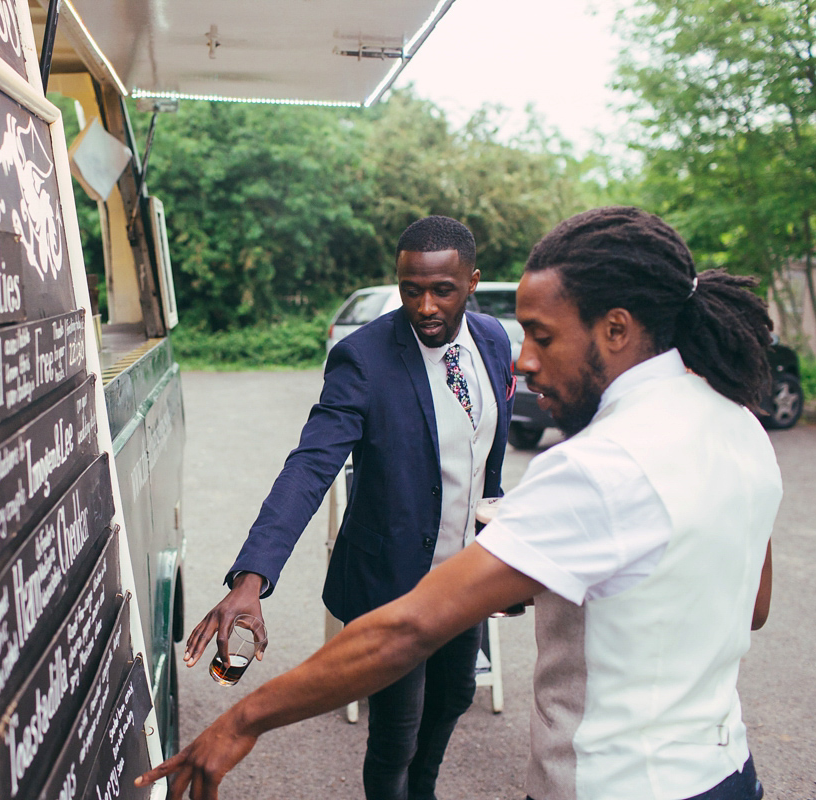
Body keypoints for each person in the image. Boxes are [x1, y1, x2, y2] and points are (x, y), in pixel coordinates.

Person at [141, 206, 779, 800]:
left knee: (444, 704)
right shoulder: (737, 423)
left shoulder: (594, 467)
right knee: (398, 729)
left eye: (543, 336)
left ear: (615, 328)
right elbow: (749, 604)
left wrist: (240, 723)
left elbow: (409, 628)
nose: (525, 360)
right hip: (725, 772)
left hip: (612, 782)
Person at [182, 215, 515, 800]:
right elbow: (310, 466)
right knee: (397, 733)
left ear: (472, 282)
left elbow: (487, 462)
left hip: (465, 579)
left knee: (453, 699)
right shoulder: (364, 357)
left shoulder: (491, 341)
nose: (426, 306)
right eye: (412, 289)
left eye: (443, 290)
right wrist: (252, 577)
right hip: (393, 584)